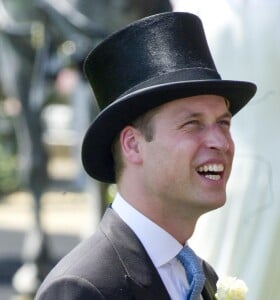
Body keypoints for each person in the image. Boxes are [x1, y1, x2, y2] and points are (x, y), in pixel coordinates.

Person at [35, 12, 256, 300]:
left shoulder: (203, 279)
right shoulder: (81, 289)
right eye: (192, 124)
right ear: (133, 145)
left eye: (223, 123)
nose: (220, 142)